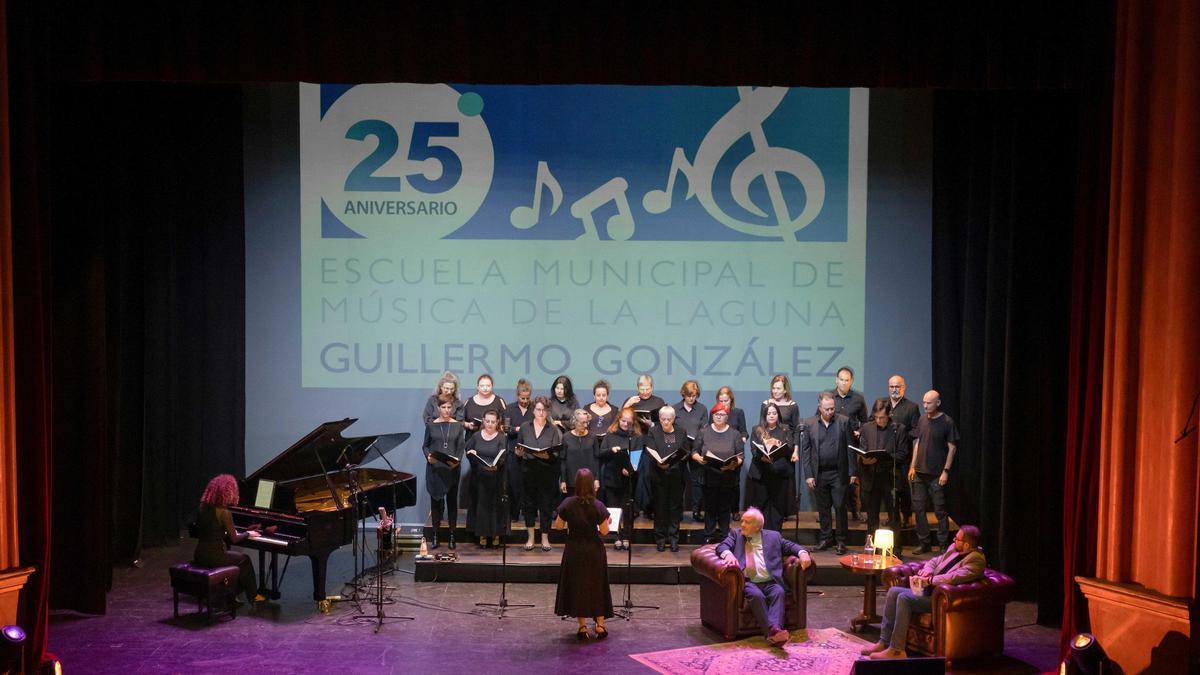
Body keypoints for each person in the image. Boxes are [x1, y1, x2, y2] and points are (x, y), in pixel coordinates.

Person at [863, 525, 985, 660]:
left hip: (940, 599)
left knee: (904, 598)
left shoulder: (976, 560)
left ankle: (897, 650)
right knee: (893, 592)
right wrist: (928, 570)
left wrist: (930, 580)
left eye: (957, 539)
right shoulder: (954, 549)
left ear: (967, 545)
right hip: (929, 591)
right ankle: (884, 642)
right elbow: (934, 561)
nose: (954, 540)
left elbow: (954, 577)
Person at [715, 507, 813, 647]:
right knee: (756, 596)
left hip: (770, 581)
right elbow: (722, 547)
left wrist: (803, 553)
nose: (742, 525)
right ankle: (773, 632)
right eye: (742, 521)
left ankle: (775, 630)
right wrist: (728, 554)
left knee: (779, 592)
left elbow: (791, 546)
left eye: (747, 522)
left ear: (758, 527)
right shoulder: (736, 535)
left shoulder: (773, 537)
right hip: (749, 582)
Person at [553, 468, 614, 639]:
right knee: (597, 585)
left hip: (574, 549)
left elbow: (558, 526)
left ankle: (582, 627)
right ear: (592, 485)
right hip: (594, 550)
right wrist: (607, 521)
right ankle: (600, 625)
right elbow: (604, 531)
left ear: (577, 484)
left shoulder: (568, 503)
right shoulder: (598, 505)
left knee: (578, 586)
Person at [799, 391, 858, 554]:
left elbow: (850, 448)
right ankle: (825, 539)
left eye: (832, 408)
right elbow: (806, 452)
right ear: (820, 407)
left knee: (839, 507)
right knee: (823, 508)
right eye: (827, 409)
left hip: (839, 473)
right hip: (819, 473)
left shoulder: (844, 422)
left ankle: (841, 541)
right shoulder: (810, 423)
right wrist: (809, 474)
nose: (830, 412)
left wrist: (853, 471)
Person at [193, 474, 265, 607]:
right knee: (245, 560)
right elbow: (234, 539)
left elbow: (212, 530)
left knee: (236, 559)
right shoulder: (224, 512)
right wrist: (248, 533)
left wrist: (241, 531)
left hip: (200, 554)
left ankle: (232, 595)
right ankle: (253, 596)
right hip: (215, 556)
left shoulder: (202, 507)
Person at [908, 390, 960, 553]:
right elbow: (917, 443)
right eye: (923, 402)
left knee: (940, 510)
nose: (925, 406)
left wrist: (946, 471)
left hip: (937, 474)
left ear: (937, 403)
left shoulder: (947, 422)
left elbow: (952, 448)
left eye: (929, 403)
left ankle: (943, 544)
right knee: (919, 509)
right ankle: (924, 542)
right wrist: (912, 466)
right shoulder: (922, 420)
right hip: (919, 473)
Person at [515, 396, 563, 552]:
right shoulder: (524, 427)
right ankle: (530, 537)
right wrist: (519, 453)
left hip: (547, 471)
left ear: (548, 411)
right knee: (529, 505)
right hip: (528, 470)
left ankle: (544, 537)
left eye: (544, 410)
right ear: (533, 410)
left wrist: (547, 456)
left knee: (546, 506)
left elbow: (557, 453)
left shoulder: (553, 429)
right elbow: (519, 448)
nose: (541, 413)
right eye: (538, 409)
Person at [692, 402, 744, 544]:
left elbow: (740, 456)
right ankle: (708, 535)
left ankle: (725, 536)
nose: (719, 417)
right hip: (708, 475)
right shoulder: (704, 432)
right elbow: (694, 451)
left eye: (722, 414)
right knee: (709, 508)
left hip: (727, 476)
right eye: (716, 414)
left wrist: (734, 463)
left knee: (724, 508)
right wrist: (699, 458)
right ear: (712, 415)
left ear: (727, 416)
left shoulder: (735, 434)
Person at [858, 399, 907, 541]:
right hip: (871, 477)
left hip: (890, 477)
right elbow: (863, 449)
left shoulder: (898, 429)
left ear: (889, 414)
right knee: (872, 515)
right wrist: (864, 458)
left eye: (882, 417)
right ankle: (871, 546)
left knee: (893, 515)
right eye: (876, 417)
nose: (878, 420)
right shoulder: (867, 428)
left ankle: (896, 547)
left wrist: (886, 456)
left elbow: (903, 454)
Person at [745, 402, 797, 532]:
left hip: (779, 474)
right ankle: (760, 535)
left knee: (777, 507)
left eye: (774, 413)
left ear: (778, 415)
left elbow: (789, 448)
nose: (772, 416)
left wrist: (777, 443)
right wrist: (763, 455)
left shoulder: (785, 429)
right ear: (764, 415)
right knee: (760, 505)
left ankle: (775, 535)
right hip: (761, 473)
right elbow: (754, 450)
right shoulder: (757, 429)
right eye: (769, 413)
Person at [424, 393, 465, 549]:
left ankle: (452, 535)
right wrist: (428, 456)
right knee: (435, 503)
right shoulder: (431, 425)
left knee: (452, 503)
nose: (447, 410)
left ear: (453, 408)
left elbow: (461, 446)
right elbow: (425, 445)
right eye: (444, 407)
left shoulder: (458, 425)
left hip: (452, 469)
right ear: (438, 408)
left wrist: (458, 460)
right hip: (435, 469)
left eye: (449, 407)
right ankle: (435, 535)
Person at [600, 407, 643, 550]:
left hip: (628, 478)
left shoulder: (636, 437)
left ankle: (627, 536)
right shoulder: (610, 435)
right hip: (612, 476)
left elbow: (637, 457)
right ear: (618, 420)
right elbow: (601, 454)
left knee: (627, 509)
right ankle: (617, 536)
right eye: (623, 421)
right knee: (614, 507)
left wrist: (629, 470)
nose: (625, 424)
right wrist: (611, 451)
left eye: (628, 422)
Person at [646, 405, 688, 551]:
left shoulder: (681, 431)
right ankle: (660, 538)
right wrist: (659, 462)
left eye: (669, 419)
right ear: (659, 418)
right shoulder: (653, 431)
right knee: (660, 507)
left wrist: (676, 460)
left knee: (675, 508)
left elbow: (685, 450)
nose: (665, 422)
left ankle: (674, 538)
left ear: (674, 419)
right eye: (663, 419)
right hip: (659, 475)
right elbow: (650, 449)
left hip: (676, 475)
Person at [465, 409, 509, 548]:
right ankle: (482, 535)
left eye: (493, 422)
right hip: (479, 478)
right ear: (483, 421)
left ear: (497, 423)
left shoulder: (501, 437)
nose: (490, 424)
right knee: (481, 506)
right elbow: (468, 451)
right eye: (487, 421)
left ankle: (495, 535)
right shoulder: (477, 436)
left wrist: (498, 464)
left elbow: (503, 455)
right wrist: (470, 453)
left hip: (496, 477)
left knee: (495, 506)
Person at [830, 367, 869, 521]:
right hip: (832, 445)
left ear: (851, 381)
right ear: (836, 380)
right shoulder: (829, 397)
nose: (844, 383)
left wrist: (859, 431)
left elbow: (866, 422)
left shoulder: (858, 399)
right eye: (841, 379)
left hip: (852, 444)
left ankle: (855, 511)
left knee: (853, 480)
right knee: (833, 479)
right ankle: (832, 512)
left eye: (847, 380)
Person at [885, 375, 920, 527]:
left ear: (904, 387)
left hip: (904, 456)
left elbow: (916, 431)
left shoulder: (912, 407)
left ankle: (906, 516)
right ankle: (893, 517)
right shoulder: (882, 404)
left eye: (897, 386)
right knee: (888, 488)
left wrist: (901, 433)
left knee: (903, 489)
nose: (894, 389)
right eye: (892, 386)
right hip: (886, 455)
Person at [673, 380, 708, 520]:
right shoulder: (675, 409)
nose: (691, 398)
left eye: (694, 395)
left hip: (696, 449)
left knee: (697, 481)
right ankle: (678, 510)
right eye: (688, 395)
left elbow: (705, 431)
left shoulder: (702, 409)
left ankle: (696, 511)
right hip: (680, 449)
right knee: (679, 481)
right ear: (683, 394)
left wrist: (696, 451)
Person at [714, 386, 748, 519]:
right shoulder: (716, 413)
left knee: (734, 483)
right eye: (721, 400)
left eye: (726, 400)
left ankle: (734, 510)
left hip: (734, 453)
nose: (723, 403)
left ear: (731, 400)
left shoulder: (738, 412)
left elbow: (744, 431)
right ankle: (719, 511)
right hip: (718, 454)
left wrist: (743, 438)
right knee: (718, 483)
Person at [504, 379, 534, 524]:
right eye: (522, 398)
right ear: (517, 396)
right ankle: (514, 514)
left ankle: (529, 514)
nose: (525, 401)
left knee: (529, 484)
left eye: (528, 398)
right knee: (513, 484)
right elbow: (506, 428)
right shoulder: (510, 409)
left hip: (530, 452)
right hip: (513, 450)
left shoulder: (534, 408)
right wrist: (518, 429)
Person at [560, 408, 601, 501]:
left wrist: (596, 479)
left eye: (587, 422)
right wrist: (563, 480)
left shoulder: (592, 437)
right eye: (582, 422)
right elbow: (563, 460)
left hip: (588, 481)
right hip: (571, 481)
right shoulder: (566, 437)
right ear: (575, 422)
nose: (585, 425)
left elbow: (596, 459)